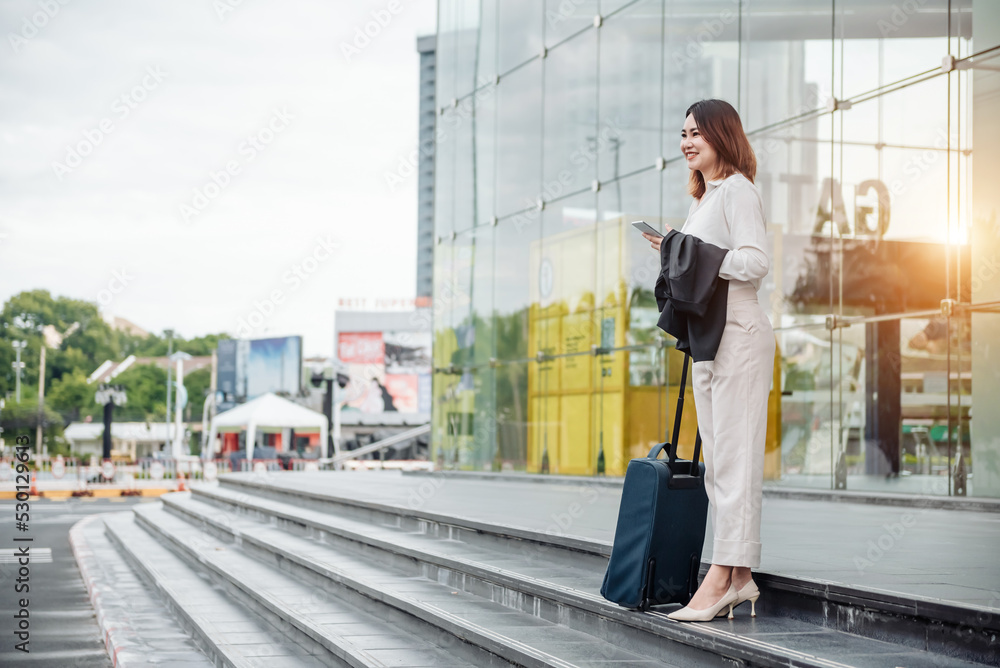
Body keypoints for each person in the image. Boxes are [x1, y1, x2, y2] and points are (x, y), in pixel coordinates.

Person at [643, 99, 775, 622]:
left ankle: (720, 575)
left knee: (736, 460)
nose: (686, 142)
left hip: (740, 330)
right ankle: (739, 578)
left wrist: (697, 256)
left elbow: (756, 262)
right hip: (710, 336)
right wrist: (670, 249)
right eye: (682, 134)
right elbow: (699, 264)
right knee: (720, 462)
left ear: (722, 134)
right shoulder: (705, 199)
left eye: (696, 132)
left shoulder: (738, 190)